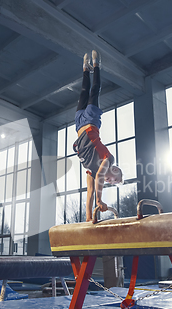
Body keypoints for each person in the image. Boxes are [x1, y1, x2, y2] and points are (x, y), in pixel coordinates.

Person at [73, 50, 123, 222]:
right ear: (115, 170)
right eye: (113, 179)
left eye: (111, 183)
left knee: (83, 91)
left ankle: (85, 69)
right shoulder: (108, 160)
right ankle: (96, 65)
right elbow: (102, 176)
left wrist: (89, 219)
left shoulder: (91, 173)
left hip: (79, 124)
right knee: (94, 91)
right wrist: (100, 201)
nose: (109, 181)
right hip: (92, 120)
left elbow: (89, 195)